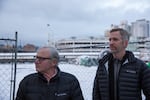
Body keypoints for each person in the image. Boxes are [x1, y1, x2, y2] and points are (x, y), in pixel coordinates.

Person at [93, 28, 150, 100]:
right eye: (110, 40)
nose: (111, 43)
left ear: (125, 43)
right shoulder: (103, 65)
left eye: (115, 39)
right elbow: (96, 93)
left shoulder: (139, 67)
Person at [16, 46, 84, 100]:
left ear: (54, 62)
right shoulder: (27, 82)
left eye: (41, 59)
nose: (36, 61)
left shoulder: (71, 81)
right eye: (36, 58)